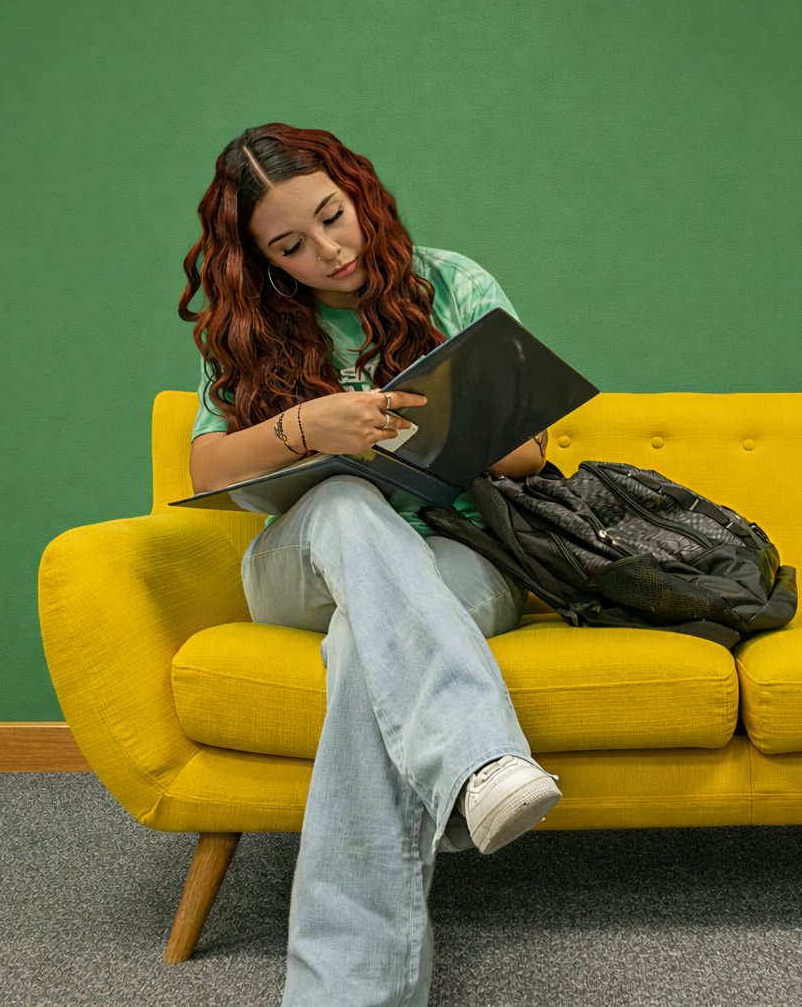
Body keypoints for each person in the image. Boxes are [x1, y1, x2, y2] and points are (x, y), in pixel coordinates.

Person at [178, 123, 560, 1006]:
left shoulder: (452, 282)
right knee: (344, 502)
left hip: (454, 557)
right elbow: (205, 471)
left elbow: (532, 454)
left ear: (357, 192)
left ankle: (343, 995)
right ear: (261, 260)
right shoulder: (254, 327)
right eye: (291, 246)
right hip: (303, 569)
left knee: (366, 657)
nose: (329, 251)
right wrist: (310, 427)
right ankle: (480, 757)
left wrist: (435, 421)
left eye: (332, 218)